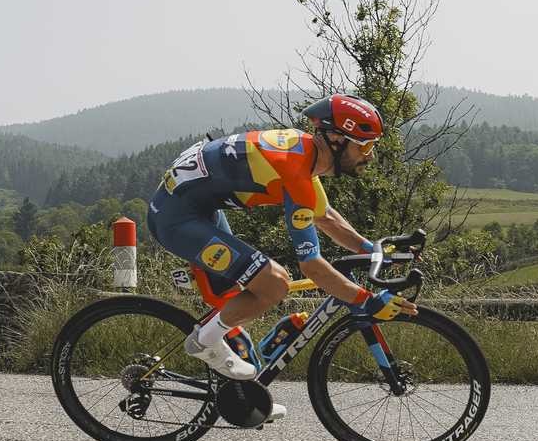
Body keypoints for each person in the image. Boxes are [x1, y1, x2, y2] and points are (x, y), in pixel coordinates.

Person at [145, 95, 419, 403]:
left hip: (196, 207)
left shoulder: (305, 153)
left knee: (238, 302)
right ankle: (204, 343)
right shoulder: (295, 170)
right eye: (364, 146)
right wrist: (367, 300)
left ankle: (244, 400)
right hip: (176, 218)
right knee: (274, 283)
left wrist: (373, 251)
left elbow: (325, 217)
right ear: (336, 139)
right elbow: (311, 265)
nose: (370, 155)